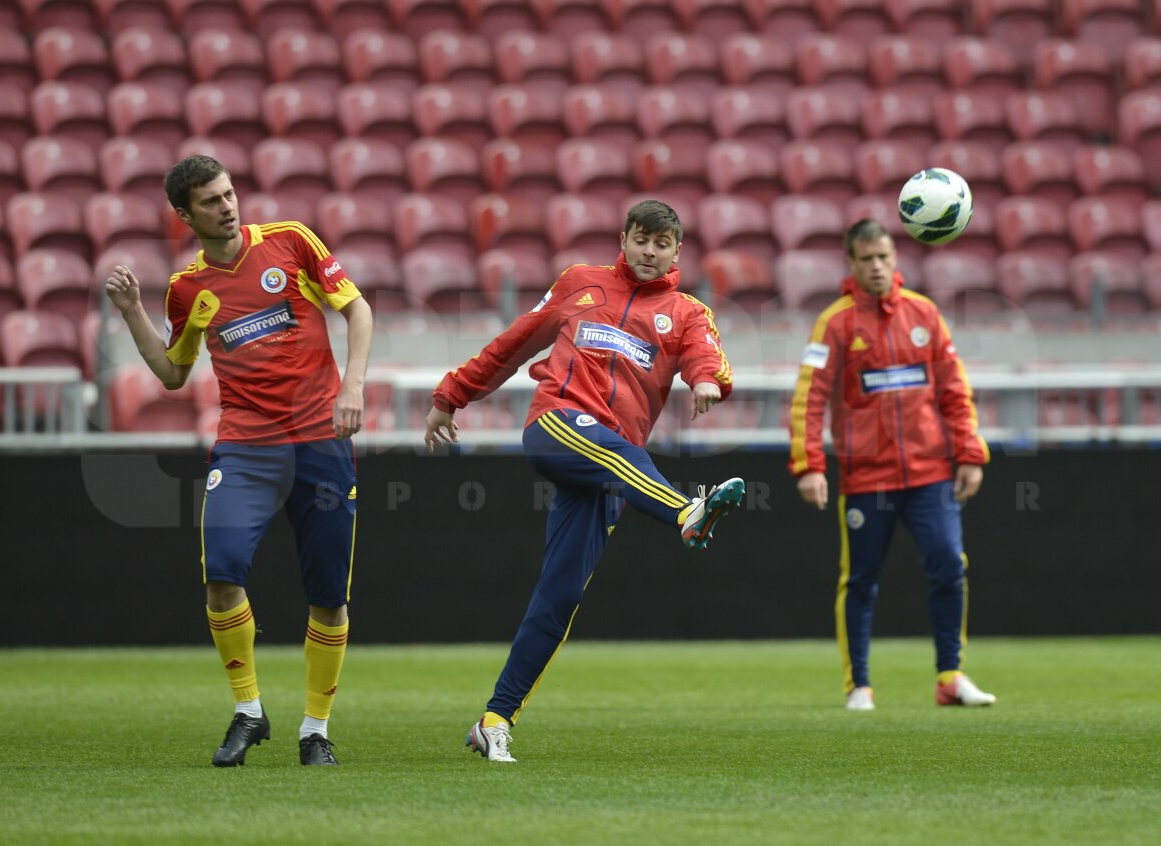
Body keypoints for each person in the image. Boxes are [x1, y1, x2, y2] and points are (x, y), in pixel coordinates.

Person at [424, 199, 745, 763]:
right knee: (621, 458)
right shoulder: (579, 283)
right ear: (623, 239)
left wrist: (705, 381)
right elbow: (515, 342)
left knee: (560, 596)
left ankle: (495, 719)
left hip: (612, 470)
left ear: (677, 250)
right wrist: (452, 395)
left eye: (662, 243)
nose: (650, 251)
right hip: (558, 422)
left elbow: (706, 355)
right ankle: (684, 513)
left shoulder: (687, 311)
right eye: (641, 239)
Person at [104, 155, 374, 766]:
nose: (227, 206)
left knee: (329, 593)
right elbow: (174, 373)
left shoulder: (291, 242)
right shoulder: (188, 290)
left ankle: (316, 729)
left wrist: (352, 386)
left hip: (320, 441)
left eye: (229, 194)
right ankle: (248, 712)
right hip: (246, 446)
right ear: (184, 215)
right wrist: (132, 314)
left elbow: (357, 309)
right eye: (210, 201)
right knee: (222, 575)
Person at [788, 218, 995, 711]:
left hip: (930, 474)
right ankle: (859, 686)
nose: (877, 267)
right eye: (867, 259)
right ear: (852, 264)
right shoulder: (834, 323)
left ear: (895, 259)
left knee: (949, 566)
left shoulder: (924, 313)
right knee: (860, 580)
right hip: (866, 477)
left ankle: (951, 677)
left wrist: (969, 452)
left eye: (884, 257)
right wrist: (809, 464)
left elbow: (953, 390)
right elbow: (809, 399)